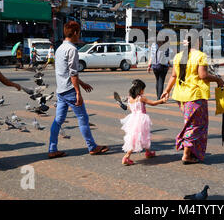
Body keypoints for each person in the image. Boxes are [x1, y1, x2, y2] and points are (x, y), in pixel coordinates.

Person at [48, 21, 109, 159]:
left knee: (58, 120)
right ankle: (92, 146)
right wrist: (77, 92)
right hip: (69, 91)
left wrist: (82, 84)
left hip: (60, 90)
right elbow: (73, 74)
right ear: (75, 33)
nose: (79, 35)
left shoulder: (60, 48)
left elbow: (65, 72)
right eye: (79, 32)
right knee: (83, 118)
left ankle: (52, 149)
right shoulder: (72, 49)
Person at [161, 36, 224, 164]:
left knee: (190, 123)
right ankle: (186, 154)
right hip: (195, 96)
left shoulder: (178, 56)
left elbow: (173, 75)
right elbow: (203, 75)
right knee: (196, 125)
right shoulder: (200, 56)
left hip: (181, 96)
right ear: (197, 42)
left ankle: (190, 152)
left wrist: (166, 90)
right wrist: (218, 79)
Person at [120, 79, 166, 166]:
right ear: (140, 89)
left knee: (143, 136)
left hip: (133, 119)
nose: (143, 91)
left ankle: (148, 152)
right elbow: (153, 103)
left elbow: (130, 109)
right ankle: (126, 156)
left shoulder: (130, 99)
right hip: (141, 119)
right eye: (143, 89)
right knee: (137, 138)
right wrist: (162, 101)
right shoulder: (141, 98)